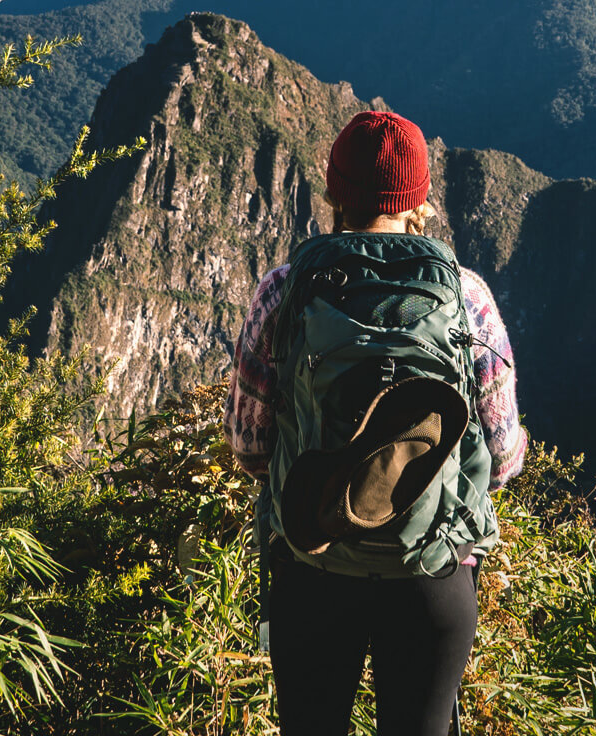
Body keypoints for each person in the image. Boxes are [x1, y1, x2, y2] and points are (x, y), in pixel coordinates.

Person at [226, 110, 527, 736]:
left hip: (314, 566)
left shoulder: (283, 292)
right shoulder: (466, 297)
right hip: (432, 571)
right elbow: (501, 456)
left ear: (334, 191)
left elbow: (249, 447)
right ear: (418, 198)